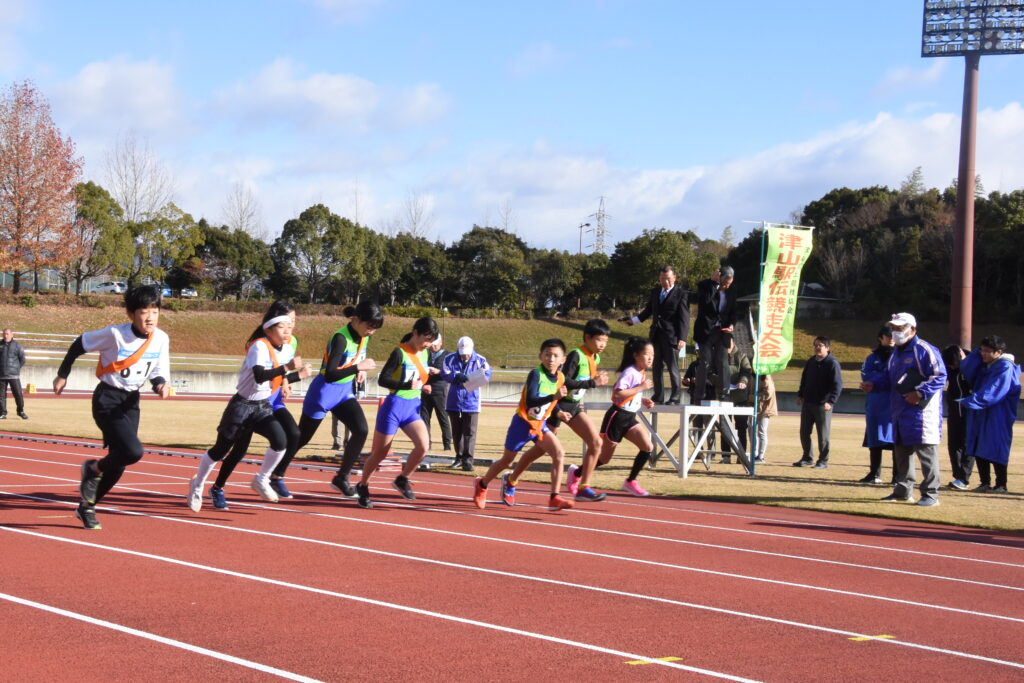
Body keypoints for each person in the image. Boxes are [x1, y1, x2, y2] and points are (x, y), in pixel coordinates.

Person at [53, 285, 171, 530]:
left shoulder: (161, 338)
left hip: (131, 402)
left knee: (119, 464)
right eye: (143, 311)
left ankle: (86, 506)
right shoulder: (114, 334)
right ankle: (92, 468)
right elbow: (79, 344)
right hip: (107, 398)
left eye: (154, 311)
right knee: (133, 451)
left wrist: (160, 385)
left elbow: (159, 370)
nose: (150, 317)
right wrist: (63, 374)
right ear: (130, 314)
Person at [188, 301, 312, 511]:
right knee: (223, 451)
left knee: (281, 440)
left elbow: (279, 376)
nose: (287, 331)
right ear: (269, 328)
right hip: (242, 406)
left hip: (262, 406)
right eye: (282, 327)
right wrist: (288, 368)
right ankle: (198, 485)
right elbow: (260, 375)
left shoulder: (288, 347)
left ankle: (261, 479)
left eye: (290, 326)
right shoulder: (259, 345)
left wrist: (296, 377)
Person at [500, 319, 611, 505]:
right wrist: (593, 383)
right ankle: (511, 479)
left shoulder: (595, 358)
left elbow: (579, 385)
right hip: (556, 405)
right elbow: (564, 381)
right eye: (599, 340)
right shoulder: (576, 355)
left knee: (596, 442)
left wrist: (592, 381)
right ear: (588, 337)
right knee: (540, 450)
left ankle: (583, 485)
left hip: (573, 406)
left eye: (606, 341)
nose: (602, 345)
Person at [472, 339, 574, 511]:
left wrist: (558, 412)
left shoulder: (560, 377)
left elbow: (551, 399)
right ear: (540, 356)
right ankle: (482, 484)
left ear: (563, 359)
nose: (551, 358)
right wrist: (554, 398)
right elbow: (531, 401)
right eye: (547, 354)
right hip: (522, 423)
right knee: (507, 461)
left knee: (559, 454)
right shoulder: (536, 374)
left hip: (539, 426)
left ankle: (554, 497)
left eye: (555, 355)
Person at [293, 301, 382, 498]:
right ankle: (273, 472)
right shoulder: (341, 337)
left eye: (375, 329)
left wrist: (360, 372)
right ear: (356, 320)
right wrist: (358, 368)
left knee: (361, 430)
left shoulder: (363, 336)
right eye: (369, 327)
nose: (371, 332)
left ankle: (341, 478)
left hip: (343, 393)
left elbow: (355, 360)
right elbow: (331, 373)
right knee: (300, 439)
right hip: (324, 393)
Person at [354, 317, 440, 509]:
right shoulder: (399, 352)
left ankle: (402, 478)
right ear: (415, 332)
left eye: (431, 341)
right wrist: (406, 385)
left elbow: (418, 376)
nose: (427, 345)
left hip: (412, 407)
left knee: (423, 446)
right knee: (380, 453)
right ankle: (363, 485)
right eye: (425, 339)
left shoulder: (425, 355)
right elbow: (383, 380)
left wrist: (423, 386)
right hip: (394, 407)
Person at [880, 312, 946, 507]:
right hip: (900, 412)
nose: (896, 332)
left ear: (912, 329)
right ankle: (902, 491)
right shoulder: (895, 354)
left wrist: (919, 393)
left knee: (926, 453)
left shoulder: (924, 349)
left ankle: (931, 494)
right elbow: (889, 379)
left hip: (921, 414)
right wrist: (872, 384)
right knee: (902, 453)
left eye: (900, 328)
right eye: (893, 328)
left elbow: (940, 376)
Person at [595, 337, 657, 496]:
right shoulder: (630, 372)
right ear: (636, 355)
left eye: (652, 355)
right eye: (647, 354)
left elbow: (629, 394)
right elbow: (617, 393)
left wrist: (643, 400)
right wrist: (642, 387)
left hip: (629, 418)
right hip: (616, 417)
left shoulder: (640, 372)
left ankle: (630, 481)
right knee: (604, 459)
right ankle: (577, 473)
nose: (650, 358)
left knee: (647, 447)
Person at [959, 335, 1019, 494]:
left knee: (996, 447)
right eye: (982, 350)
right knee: (978, 445)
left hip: (998, 414)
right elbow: (966, 366)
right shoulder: (985, 366)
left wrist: (971, 401)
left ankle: (1001, 485)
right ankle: (984, 482)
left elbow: (995, 390)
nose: (983, 354)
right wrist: (977, 353)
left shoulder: (1004, 367)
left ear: (998, 352)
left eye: (987, 351)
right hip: (982, 412)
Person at [626, 265, 690, 404]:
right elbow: (648, 310)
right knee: (656, 366)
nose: (665, 282)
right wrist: (633, 321)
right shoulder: (655, 292)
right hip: (656, 335)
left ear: (674, 278)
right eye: (662, 279)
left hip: (672, 336)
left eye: (667, 279)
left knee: (673, 367)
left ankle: (675, 396)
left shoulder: (681, 293)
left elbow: (684, 317)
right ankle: (659, 395)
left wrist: (682, 338)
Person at [442, 336, 491, 471]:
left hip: (472, 401)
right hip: (454, 400)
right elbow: (445, 373)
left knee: (470, 431)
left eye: (467, 353)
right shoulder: (450, 358)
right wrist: (455, 376)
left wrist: (474, 380)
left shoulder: (481, 360)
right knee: (456, 432)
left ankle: (468, 460)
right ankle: (458, 457)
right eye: (462, 353)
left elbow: (487, 375)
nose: (465, 356)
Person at [792, 336, 843, 469]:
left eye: (820, 345)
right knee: (804, 432)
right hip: (808, 403)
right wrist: (800, 395)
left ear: (827, 348)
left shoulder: (832, 363)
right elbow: (804, 379)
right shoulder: (811, 362)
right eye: (815, 345)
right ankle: (807, 457)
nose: (817, 348)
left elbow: (837, 385)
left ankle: (823, 460)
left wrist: (831, 402)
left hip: (823, 405)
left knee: (823, 435)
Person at [692, 265, 736, 404]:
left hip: (721, 332)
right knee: (705, 362)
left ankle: (724, 394)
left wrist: (731, 324)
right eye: (725, 283)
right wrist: (714, 284)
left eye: (729, 284)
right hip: (705, 331)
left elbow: (734, 312)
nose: (727, 286)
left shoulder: (731, 292)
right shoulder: (705, 285)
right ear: (719, 278)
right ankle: (699, 394)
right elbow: (704, 302)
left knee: (722, 362)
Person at [857, 327, 895, 484]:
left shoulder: (901, 356)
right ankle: (874, 473)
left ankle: (898, 476)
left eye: (894, 336)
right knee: (874, 437)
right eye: (888, 336)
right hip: (876, 402)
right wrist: (880, 378)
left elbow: (896, 375)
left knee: (896, 439)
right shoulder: (872, 357)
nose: (891, 338)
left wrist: (879, 378)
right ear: (880, 338)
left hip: (893, 401)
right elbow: (867, 374)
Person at [720, 334, 753, 465]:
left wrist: (743, 381)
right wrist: (719, 381)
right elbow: (711, 372)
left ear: (733, 342)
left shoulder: (741, 356)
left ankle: (741, 455)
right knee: (725, 427)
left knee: (741, 427)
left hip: (740, 398)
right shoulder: (719, 355)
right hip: (724, 397)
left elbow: (747, 371)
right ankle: (726, 455)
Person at [419, 335, 453, 452]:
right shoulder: (425, 353)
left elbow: (451, 372)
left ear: (441, 343)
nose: (433, 346)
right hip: (425, 388)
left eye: (436, 343)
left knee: (443, 417)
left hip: (440, 389)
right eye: (431, 343)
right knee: (424, 418)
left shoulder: (447, 355)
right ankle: (426, 443)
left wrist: (439, 372)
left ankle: (447, 444)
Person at [0, 328, 28, 419]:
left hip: (13, 375)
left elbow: (22, 359)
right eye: (4, 334)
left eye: (7, 334)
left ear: (12, 335)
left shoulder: (17, 346)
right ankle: (2, 413)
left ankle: (20, 411)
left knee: (18, 394)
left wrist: (16, 368)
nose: (5, 336)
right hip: (1, 375)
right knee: (1, 396)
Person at [753, 374, 777, 463]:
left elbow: (768, 394)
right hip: (758, 408)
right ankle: (755, 454)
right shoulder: (757, 377)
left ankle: (761, 456)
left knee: (761, 432)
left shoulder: (766, 378)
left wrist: (755, 397)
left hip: (766, 409)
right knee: (752, 430)